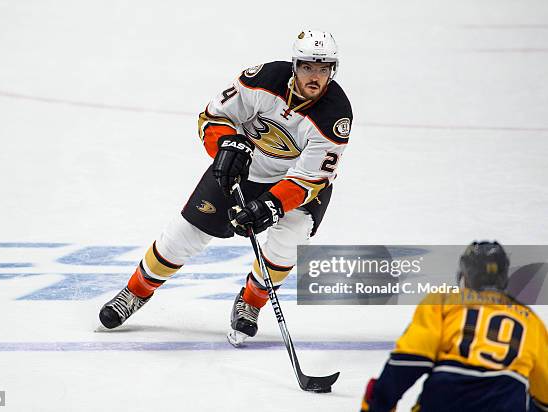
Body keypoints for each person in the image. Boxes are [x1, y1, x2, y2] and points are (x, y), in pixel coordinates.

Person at [98, 29, 353, 346]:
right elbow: (212, 117)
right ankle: (135, 291)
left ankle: (251, 301)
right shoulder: (262, 79)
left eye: (324, 68)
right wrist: (226, 146)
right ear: (294, 65)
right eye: (308, 67)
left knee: (289, 242)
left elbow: (309, 179)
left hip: (294, 184)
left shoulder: (336, 116)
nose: (315, 77)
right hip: (243, 166)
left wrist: (270, 205)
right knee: (184, 234)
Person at [360, 241, 548, 412]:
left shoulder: (444, 301)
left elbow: (410, 360)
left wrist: (377, 401)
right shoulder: (530, 320)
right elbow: (545, 396)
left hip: (447, 398)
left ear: (465, 275)